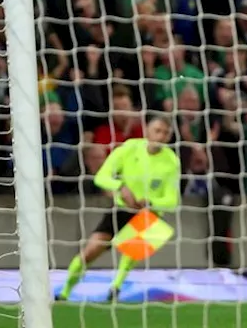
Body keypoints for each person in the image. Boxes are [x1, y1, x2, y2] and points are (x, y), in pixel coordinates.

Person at [58, 114, 181, 301]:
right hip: (122, 209)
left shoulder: (171, 161)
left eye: (166, 133)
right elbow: (101, 177)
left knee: (133, 249)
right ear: (147, 131)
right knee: (91, 251)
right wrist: (120, 187)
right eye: (158, 130)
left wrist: (152, 203)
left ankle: (115, 287)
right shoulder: (130, 148)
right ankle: (65, 292)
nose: (161, 136)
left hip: (149, 214)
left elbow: (172, 200)